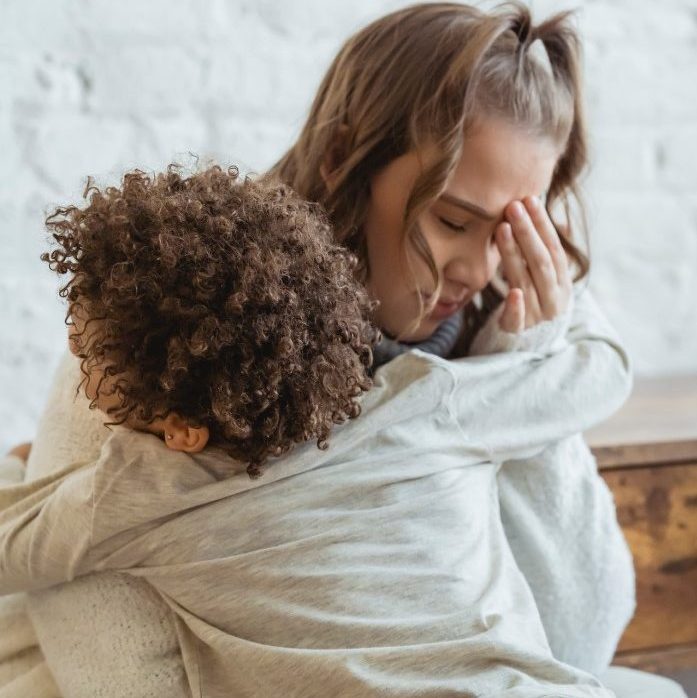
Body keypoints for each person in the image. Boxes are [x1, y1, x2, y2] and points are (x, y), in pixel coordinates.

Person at [2, 2, 687, 697]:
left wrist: (521, 354)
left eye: (513, 228)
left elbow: (577, 636)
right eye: (452, 219)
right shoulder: (175, 343)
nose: (479, 269)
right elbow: (109, 664)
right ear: (342, 158)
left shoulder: (507, 314)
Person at [2, 164, 620, 698]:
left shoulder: (145, 490)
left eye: (88, 362)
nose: (77, 372)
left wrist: (20, 471)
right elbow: (595, 376)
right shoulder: (422, 398)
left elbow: (11, 549)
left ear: (182, 431)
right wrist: (561, 302)